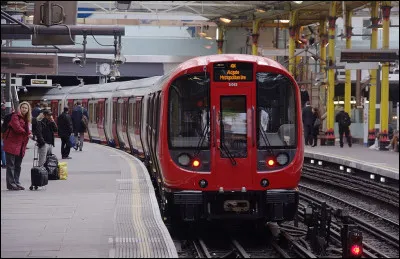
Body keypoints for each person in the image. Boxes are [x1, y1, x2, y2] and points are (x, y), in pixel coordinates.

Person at [3, 101, 33, 190]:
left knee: (18, 165)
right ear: (19, 108)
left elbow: (29, 129)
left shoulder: (27, 119)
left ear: (28, 110)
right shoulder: (15, 116)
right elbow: (17, 128)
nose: (24, 109)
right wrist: (27, 133)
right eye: (22, 107)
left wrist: (29, 133)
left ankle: (16, 182)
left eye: (26, 108)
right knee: (11, 165)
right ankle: (11, 184)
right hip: (11, 144)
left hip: (21, 145)